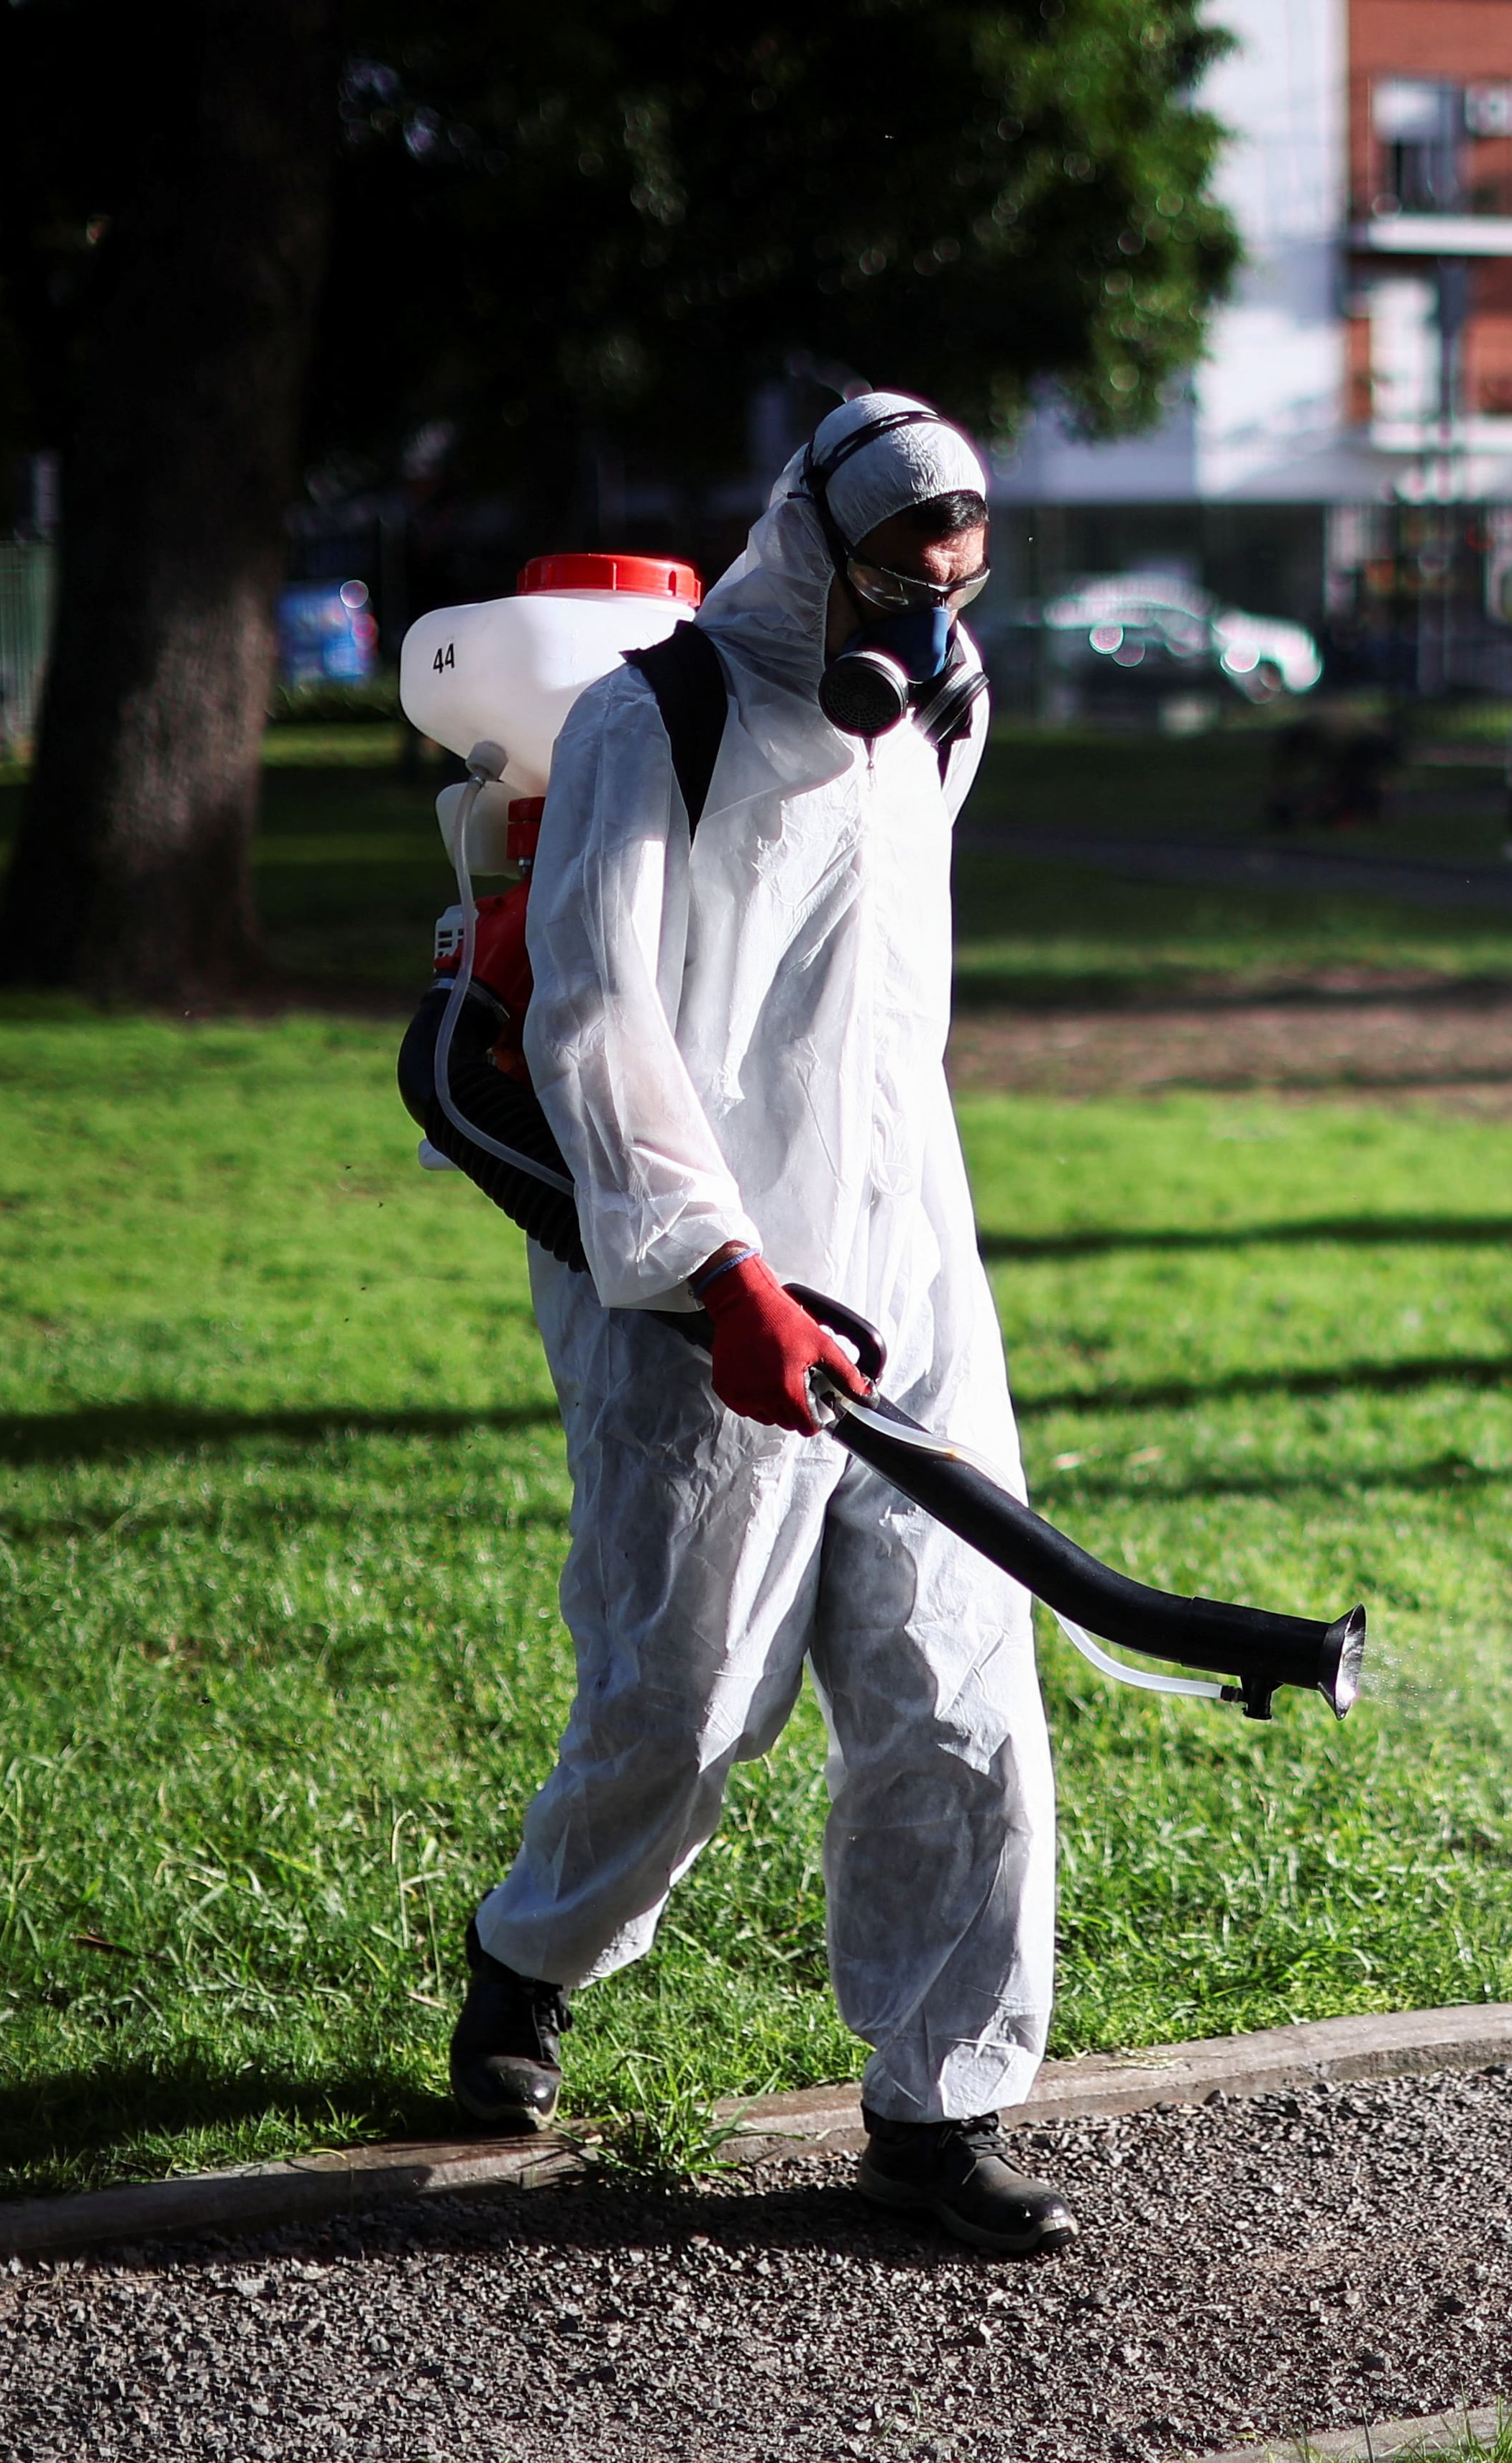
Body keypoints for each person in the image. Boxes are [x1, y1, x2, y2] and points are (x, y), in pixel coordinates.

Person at [445, 393, 1077, 2257]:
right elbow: (595, 1020)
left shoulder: (941, 714)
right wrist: (718, 1270)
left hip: (907, 1254)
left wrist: (868, 1248)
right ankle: (525, 1960)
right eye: (898, 581)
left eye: (959, 585)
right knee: (682, 1699)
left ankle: (936, 2115)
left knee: (964, 1682)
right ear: (815, 547)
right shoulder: (662, 718)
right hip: (689, 1281)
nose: (929, 622)